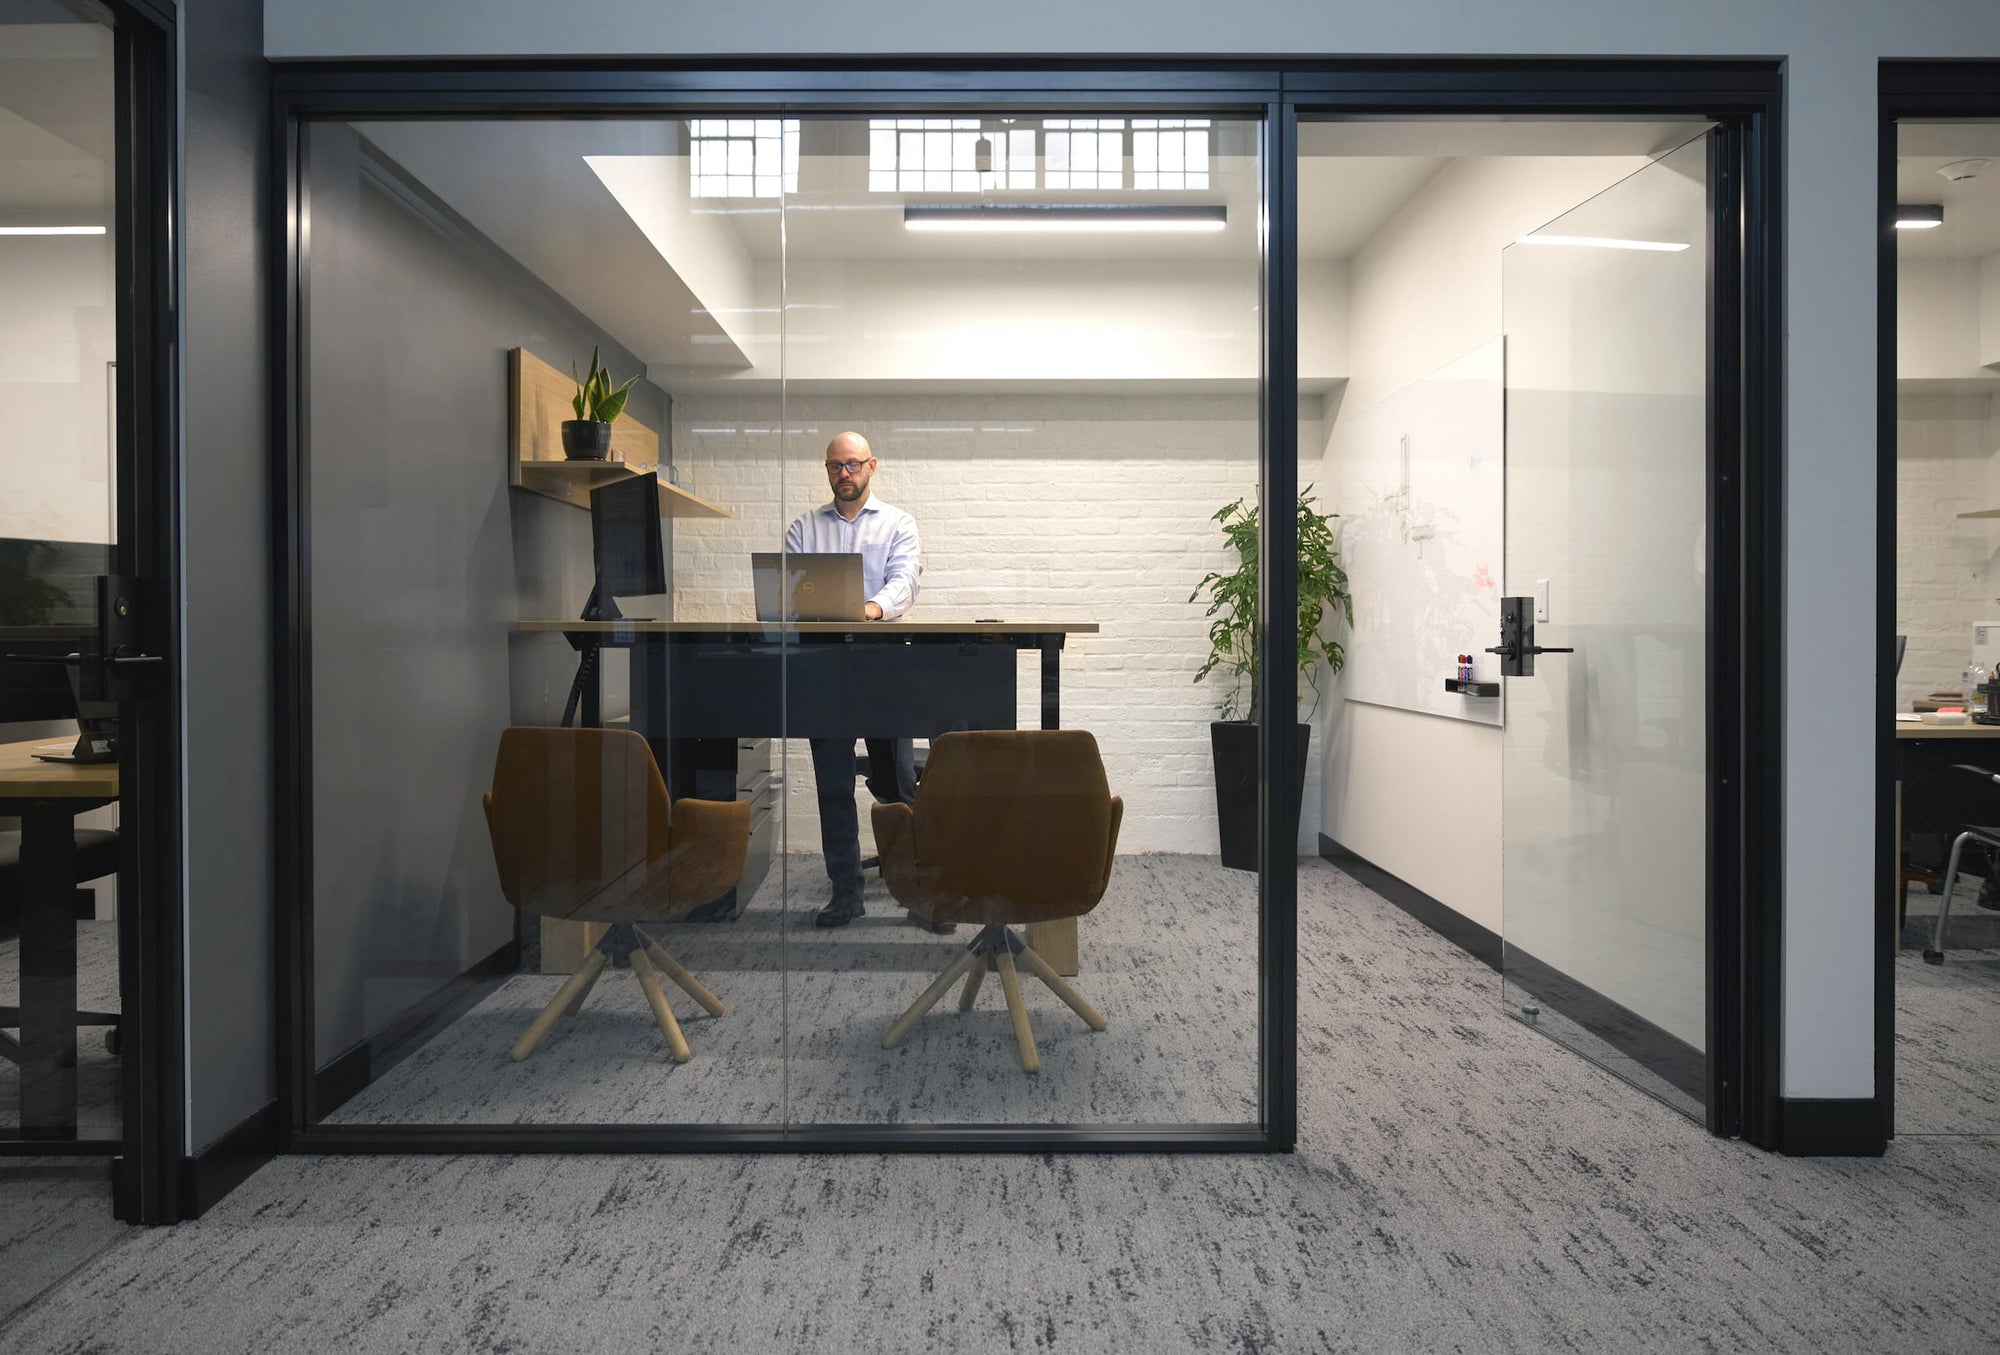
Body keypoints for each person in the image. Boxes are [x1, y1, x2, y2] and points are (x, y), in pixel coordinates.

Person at [785, 432, 924, 927]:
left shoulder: (897, 523)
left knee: (899, 784)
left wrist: (867, 609)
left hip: (880, 658)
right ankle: (846, 892)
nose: (844, 473)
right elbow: (790, 592)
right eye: (835, 466)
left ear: (871, 467)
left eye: (853, 465)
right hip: (823, 665)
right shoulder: (805, 527)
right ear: (827, 471)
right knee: (832, 786)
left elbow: (904, 583)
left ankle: (920, 892)